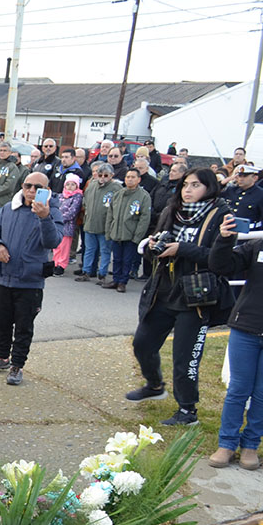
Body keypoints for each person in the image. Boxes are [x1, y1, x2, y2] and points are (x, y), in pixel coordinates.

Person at [126, 168, 234, 426]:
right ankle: (154, 385)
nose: (187, 190)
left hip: (195, 295)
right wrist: (153, 247)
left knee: (184, 358)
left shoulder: (221, 215)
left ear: (209, 187)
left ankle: (187, 411)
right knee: (142, 343)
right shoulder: (171, 211)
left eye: (195, 185)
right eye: (185, 184)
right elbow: (156, 248)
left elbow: (221, 261)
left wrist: (182, 249)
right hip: (163, 290)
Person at [0, 171, 62, 385]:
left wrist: (44, 217)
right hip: (4, 277)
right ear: (22, 187)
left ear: (47, 190)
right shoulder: (9, 208)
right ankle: (1, 357)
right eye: (28, 186)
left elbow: (53, 241)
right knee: (2, 320)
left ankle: (17, 365)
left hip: (30, 280)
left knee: (24, 326)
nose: (32, 191)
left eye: (38, 187)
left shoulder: (52, 211)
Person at [207, 211, 263, 468]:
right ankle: (226, 444)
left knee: (262, 394)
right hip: (246, 327)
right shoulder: (257, 246)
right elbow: (221, 265)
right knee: (238, 390)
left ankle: (251, 445)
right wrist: (224, 238)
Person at [103, 167, 152, 292]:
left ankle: (123, 282)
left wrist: (137, 236)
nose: (130, 180)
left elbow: (144, 218)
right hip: (116, 233)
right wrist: (109, 231)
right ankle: (115, 279)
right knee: (117, 259)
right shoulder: (118, 194)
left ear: (138, 179)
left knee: (127, 260)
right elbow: (110, 214)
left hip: (131, 234)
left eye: (133, 177)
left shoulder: (143, 196)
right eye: (128, 177)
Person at [75, 163, 122, 283]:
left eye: (106, 175)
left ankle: (102, 274)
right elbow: (85, 200)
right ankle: (86, 272)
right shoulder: (92, 185)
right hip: (90, 224)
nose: (102, 178)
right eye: (100, 175)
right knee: (89, 250)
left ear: (112, 175)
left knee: (105, 251)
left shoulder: (116, 188)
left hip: (105, 226)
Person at [54, 173, 83, 275]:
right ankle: (55, 262)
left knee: (64, 247)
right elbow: (55, 207)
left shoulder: (77, 196)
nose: (70, 187)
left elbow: (72, 212)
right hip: (56, 225)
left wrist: (60, 218)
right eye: (68, 184)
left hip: (67, 226)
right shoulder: (60, 196)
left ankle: (61, 265)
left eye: (73, 184)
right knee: (56, 246)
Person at [225, 165, 263, 231]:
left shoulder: (260, 194)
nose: (241, 179)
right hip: (229, 230)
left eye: (245, 176)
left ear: (255, 178)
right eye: (239, 176)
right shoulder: (231, 190)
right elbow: (212, 193)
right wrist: (223, 182)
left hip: (251, 232)